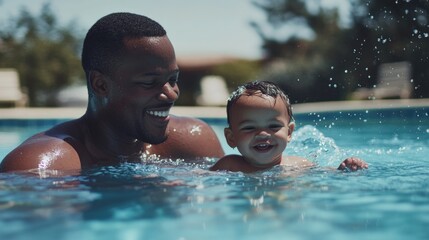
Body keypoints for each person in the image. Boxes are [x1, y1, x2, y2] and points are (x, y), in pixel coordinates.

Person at [0, 12, 224, 172]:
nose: (171, 94)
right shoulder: (41, 165)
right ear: (100, 85)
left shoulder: (193, 142)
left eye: (172, 80)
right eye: (150, 82)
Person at [209, 80, 368, 173]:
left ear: (289, 132)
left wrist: (344, 169)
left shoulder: (300, 166)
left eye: (273, 126)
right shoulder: (229, 165)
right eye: (249, 128)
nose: (263, 134)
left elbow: (328, 177)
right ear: (231, 137)